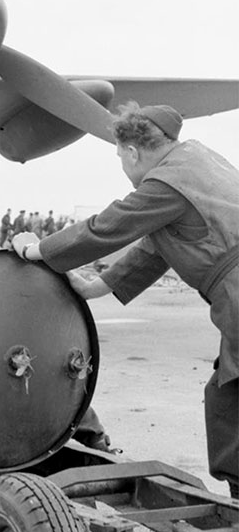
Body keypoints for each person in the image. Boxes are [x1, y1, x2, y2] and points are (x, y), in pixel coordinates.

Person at [13, 102, 239, 498]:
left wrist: (38, 251)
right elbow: (157, 246)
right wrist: (97, 286)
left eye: (120, 157)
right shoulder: (197, 161)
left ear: (132, 152)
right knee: (227, 395)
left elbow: (108, 226)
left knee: (230, 400)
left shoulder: (166, 183)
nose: (122, 166)